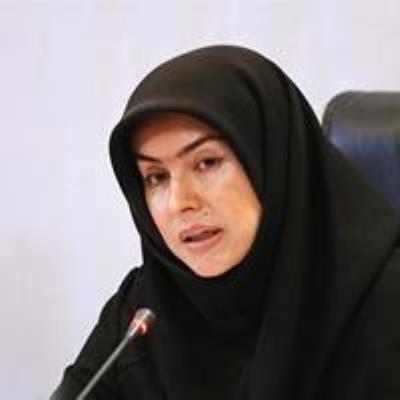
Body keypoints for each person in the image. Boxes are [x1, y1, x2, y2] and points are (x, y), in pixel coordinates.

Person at [52, 45, 400, 400]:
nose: (179, 202)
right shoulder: (142, 314)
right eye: (156, 177)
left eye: (206, 163)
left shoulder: (383, 304)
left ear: (272, 160)